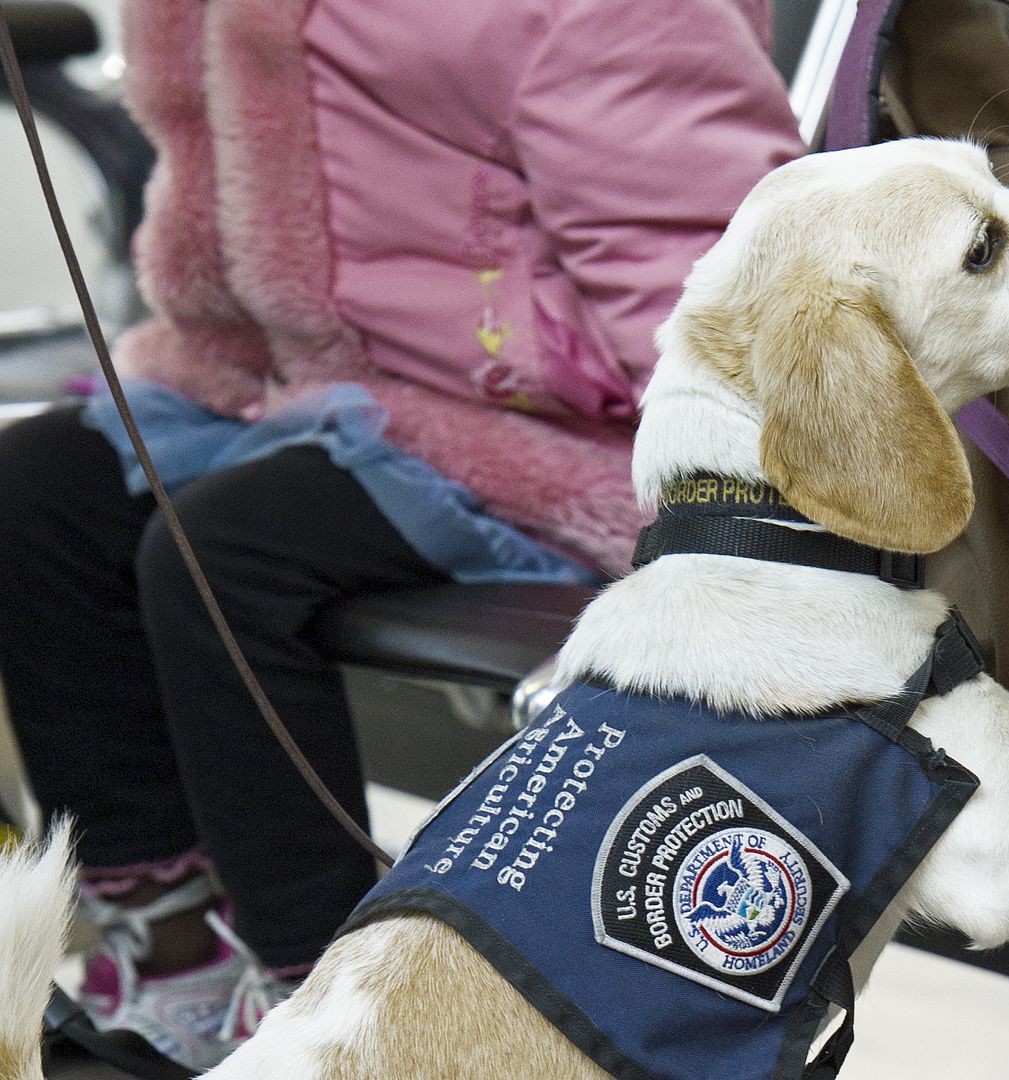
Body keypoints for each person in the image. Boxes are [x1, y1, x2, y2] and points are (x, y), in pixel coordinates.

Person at [0, 0, 802, 1068]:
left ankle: (331, 999)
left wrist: (714, 512)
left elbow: (719, 280)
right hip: (316, 384)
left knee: (221, 552)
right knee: (39, 487)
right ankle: (178, 957)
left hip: (559, 424)